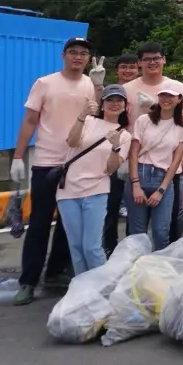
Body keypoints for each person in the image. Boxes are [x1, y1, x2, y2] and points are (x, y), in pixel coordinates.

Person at [10, 37, 97, 304]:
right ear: (63, 55)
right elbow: (30, 120)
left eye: (83, 53)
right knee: (39, 222)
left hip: (78, 162)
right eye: (73, 52)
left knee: (68, 223)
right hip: (47, 162)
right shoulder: (45, 83)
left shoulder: (90, 84)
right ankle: (28, 281)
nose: (78, 57)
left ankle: (56, 271)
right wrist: (18, 156)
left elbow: (97, 119)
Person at [56, 82, 130, 277]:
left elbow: (110, 168)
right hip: (68, 190)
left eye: (119, 100)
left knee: (92, 247)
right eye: (110, 100)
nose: (115, 104)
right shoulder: (88, 121)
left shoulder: (125, 135)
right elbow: (72, 142)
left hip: (96, 191)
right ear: (102, 104)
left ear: (125, 105)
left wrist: (115, 147)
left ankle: (103, 290)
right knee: (76, 246)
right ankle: (82, 292)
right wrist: (81, 116)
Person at [127, 81, 183, 250]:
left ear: (179, 100)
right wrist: (135, 184)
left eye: (171, 96)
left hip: (163, 177)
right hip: (140, 173)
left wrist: (161, 190)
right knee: (137, 232)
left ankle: (160, 270)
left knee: (161, 231)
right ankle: (134, 269)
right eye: (163, 95)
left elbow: (176, 160)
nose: (166, 99)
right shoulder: (143, 120)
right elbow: (133, 153)